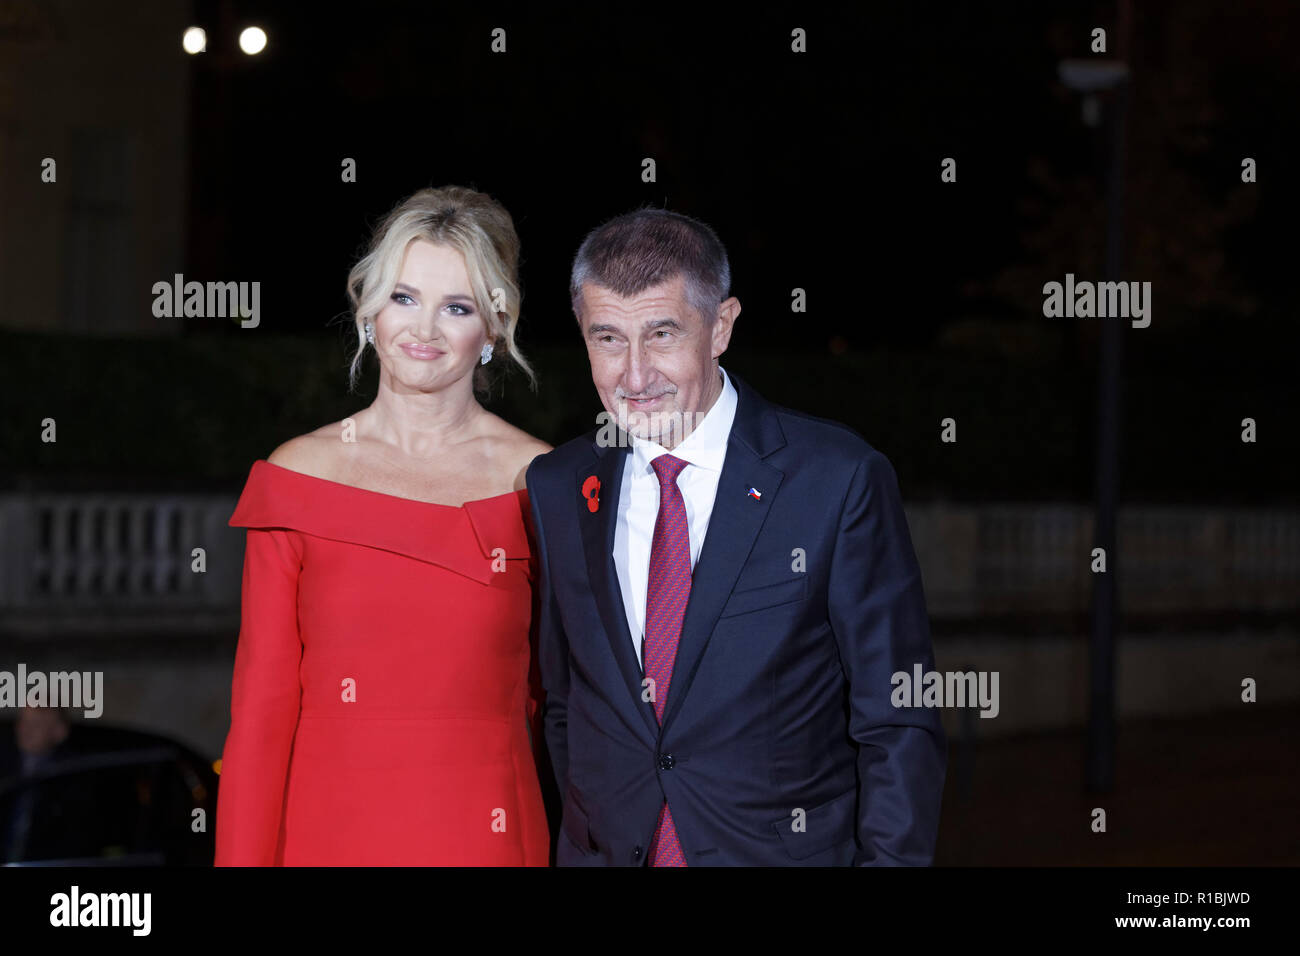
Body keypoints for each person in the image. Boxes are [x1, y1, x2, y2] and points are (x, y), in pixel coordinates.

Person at [526, 208, 947, 866]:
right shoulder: (558, 486)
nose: (634, 377)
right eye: (608, 339)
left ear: (720, 327)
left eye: (661, 335)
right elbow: (564, 703)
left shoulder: (835, 480)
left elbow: (898, 719)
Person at [215, 186, 552, 865]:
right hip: (319, 839)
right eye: (404, 297)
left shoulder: (541, 484)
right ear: (368, 310)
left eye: (455, 307)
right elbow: (260, 717)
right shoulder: (299, 477)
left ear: (491, 328)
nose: (423, 330)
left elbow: (568, 705)